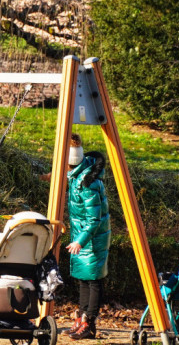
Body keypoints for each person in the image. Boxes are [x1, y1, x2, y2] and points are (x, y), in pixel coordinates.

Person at [60, 133, 112, 340]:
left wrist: (80, 241)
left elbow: (94, 218)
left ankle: (89, 323)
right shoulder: (77, 176)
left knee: (94, 281)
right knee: (83, 279)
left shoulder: (87, 183)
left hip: (92, 239)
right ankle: (81, 318)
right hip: (83, 238)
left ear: (69, 163)